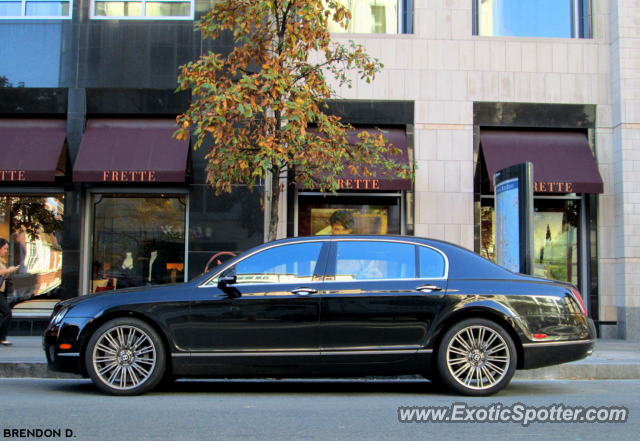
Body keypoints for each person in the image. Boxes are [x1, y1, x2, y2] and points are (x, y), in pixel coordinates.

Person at [0, 238, 19, 346]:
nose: (6, 251)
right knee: (6, 312)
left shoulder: (2, 261)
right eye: (4, 249)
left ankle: (2, 337)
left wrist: (10, 270)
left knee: (5, 312)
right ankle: (2, 337)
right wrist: (8, 270)